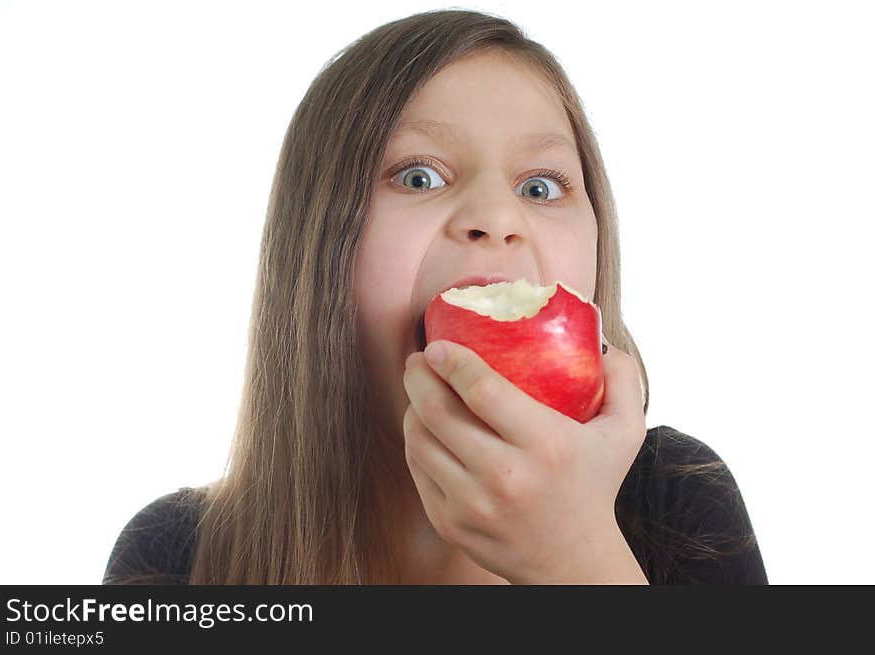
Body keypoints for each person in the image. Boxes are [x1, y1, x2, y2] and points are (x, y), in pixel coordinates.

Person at [103, 9, 767, 585]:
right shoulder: (179, 559)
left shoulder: (677, 499)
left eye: (540, 187)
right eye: (419, 176)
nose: (497, 216)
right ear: (317, 248)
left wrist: (578, 560)